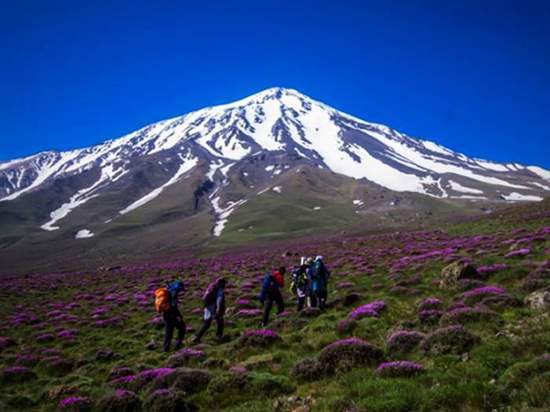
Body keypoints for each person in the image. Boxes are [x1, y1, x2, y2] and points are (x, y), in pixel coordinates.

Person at [193, 278, 226, 344]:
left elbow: (204, 297)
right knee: (220, 320)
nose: (225, 285)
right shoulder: (220, 289)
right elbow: (219, 300)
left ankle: (196, 337)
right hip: (213, 306)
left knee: (207, 322)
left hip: (207, 305)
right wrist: (218, 308)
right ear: (221, 284)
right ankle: (219, 336)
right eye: (224, 283)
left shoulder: (211, 286)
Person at [161, 279, 186, 352]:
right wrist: (178, 316)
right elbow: (173, 305)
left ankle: (165, 349)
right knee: (182, 328)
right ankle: (177, 345)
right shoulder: (174, 292)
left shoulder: (169, 289)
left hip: (165, 314)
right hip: (171, 314)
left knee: (169, 331)